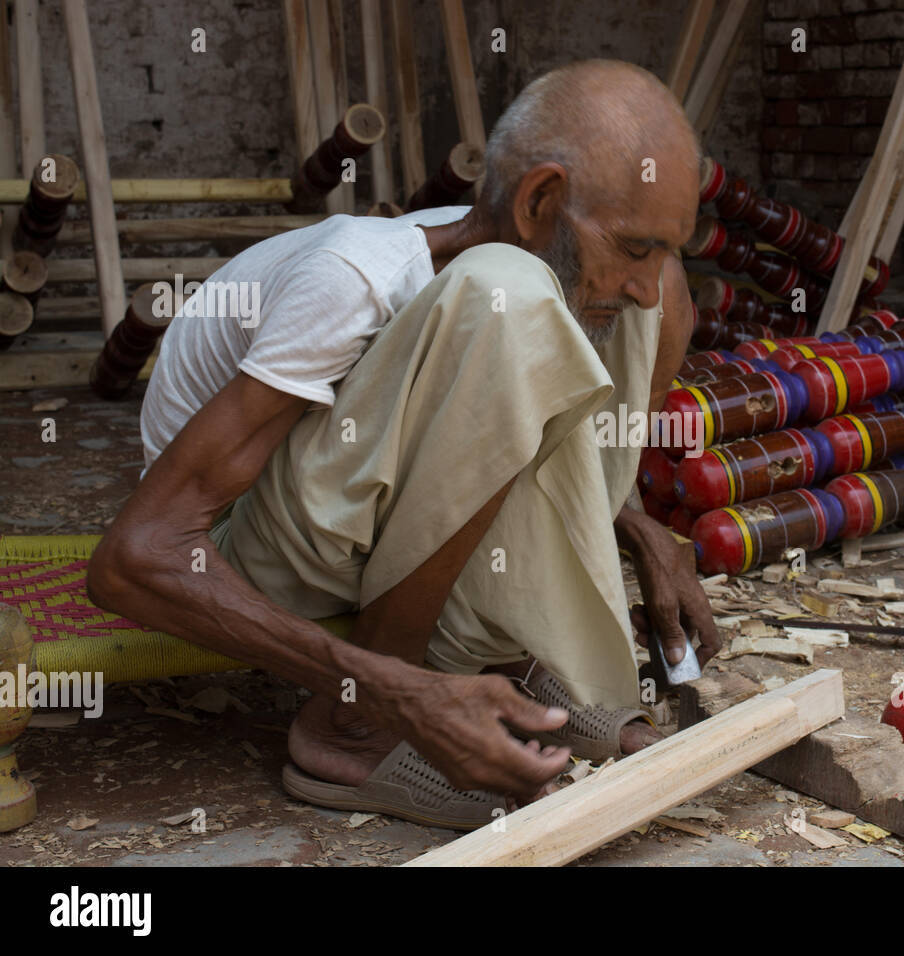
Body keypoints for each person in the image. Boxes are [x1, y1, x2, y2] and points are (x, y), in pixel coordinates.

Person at [87, 59, 721, 828]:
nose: (644, 279)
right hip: (237, 544)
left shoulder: (518, 271)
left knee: (643, 303)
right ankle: (354, 726)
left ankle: (511, 650)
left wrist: (636, 522)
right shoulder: (353, 279)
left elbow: (497, 420)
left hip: (353, 523)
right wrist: (388, 690)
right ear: (539, 200)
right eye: (630, 245)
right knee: (510, 299)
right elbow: (137, 558)